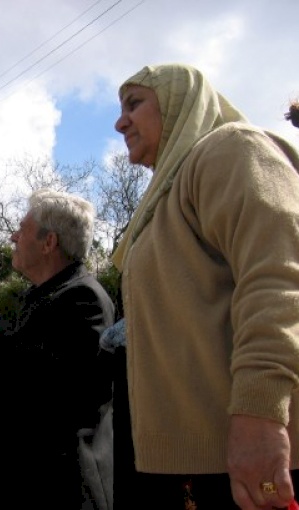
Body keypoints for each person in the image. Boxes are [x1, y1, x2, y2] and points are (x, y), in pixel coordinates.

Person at [111, 63, 299, 509]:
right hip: (200, 470)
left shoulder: (231, 148)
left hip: (259, 460)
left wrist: (259, 412)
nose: (120, 122)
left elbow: (280, 276)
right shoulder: (165, 198)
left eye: (134, 104)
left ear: (181, 102)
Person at [0, 188, 115, 509]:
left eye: (22, 229)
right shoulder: (46, 297)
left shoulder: (85, 299)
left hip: (54, 490)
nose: (12, 237)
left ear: (49, 243)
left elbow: (51, 383)